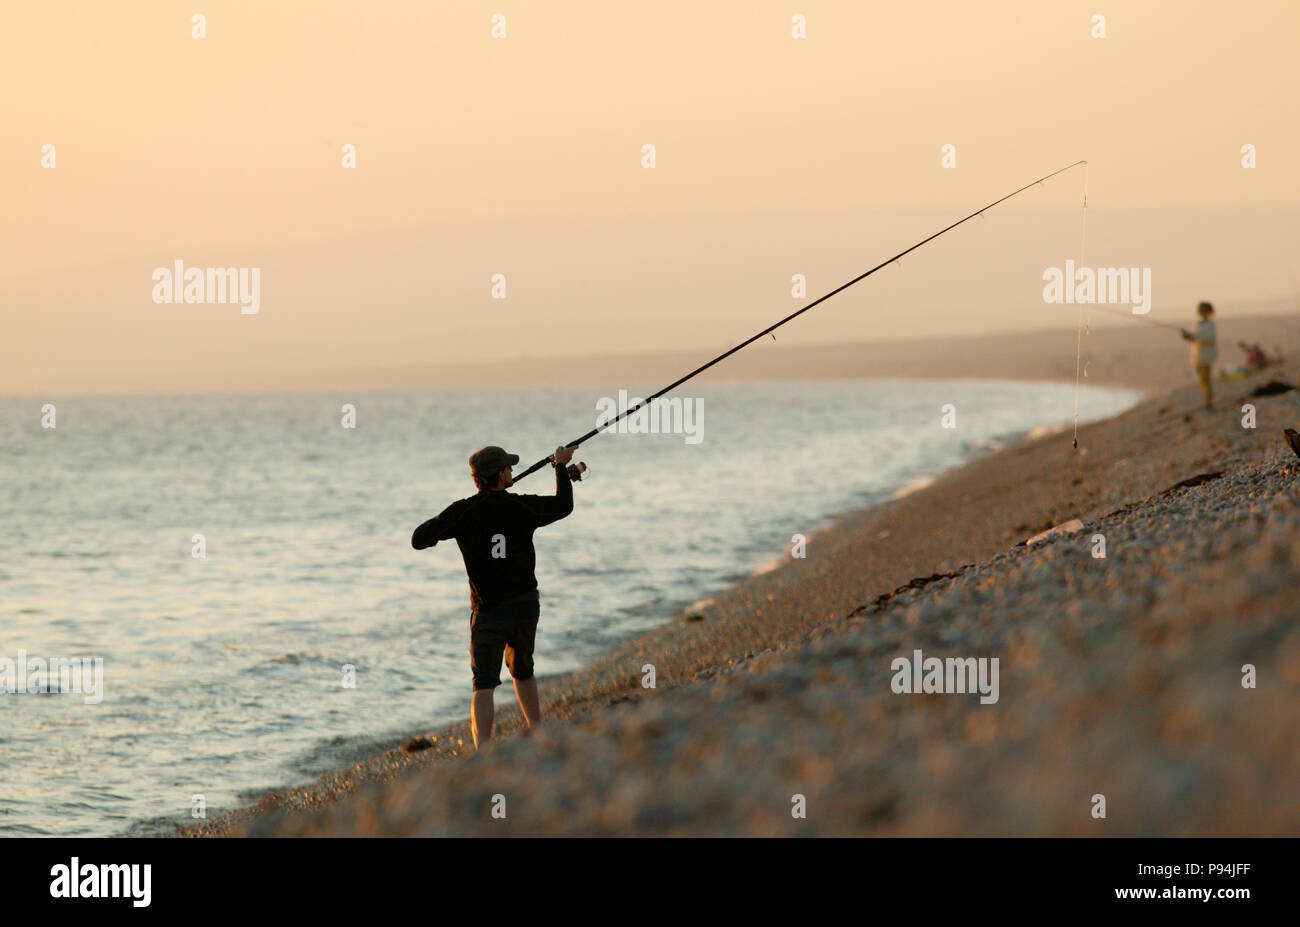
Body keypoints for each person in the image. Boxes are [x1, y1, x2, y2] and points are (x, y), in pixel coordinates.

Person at [412, 443, 575, 749]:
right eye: (509, 468)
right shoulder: (521, 506)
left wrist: (447, 519)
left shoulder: (461, 512)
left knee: (484, 683)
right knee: (523, 669)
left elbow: (418, 540)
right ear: (501, 475)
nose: (512, 471)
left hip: (488, 611)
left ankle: (483, 750)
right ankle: (537, 730)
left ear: (476, 479)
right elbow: (563, 506)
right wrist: (560, 467)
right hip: (525, 604)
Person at [1181, 301, 1217, 409]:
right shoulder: (1197, 324)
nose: (1201, 311)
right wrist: (1187, 336)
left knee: (1206, 379)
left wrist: (1192, 337)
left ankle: (1208, 402)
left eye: (1203, 309)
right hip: (1197, 356)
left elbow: (1207, 338)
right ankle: (1207, 401)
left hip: (1206, 356)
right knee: (1202, 380)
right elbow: (1194, 338)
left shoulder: (1211, 325)